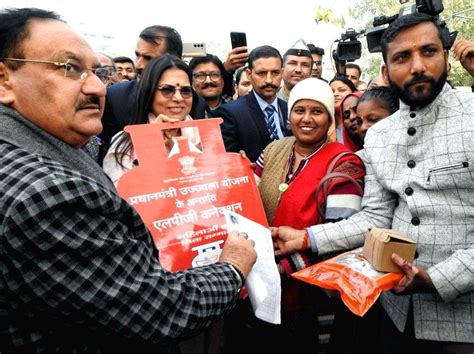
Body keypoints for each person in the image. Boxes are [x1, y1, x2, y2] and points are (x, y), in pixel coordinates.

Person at [0, 8, 257, 353]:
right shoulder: (47, 194)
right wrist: (233, 266)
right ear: (4, 80)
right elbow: (157, 309)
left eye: (95, 71)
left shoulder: (48, 154)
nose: (96, 87)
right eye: (70, 68)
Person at [272, 13, 473, 353]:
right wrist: (306, 238)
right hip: (395, 314)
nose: (418, 66)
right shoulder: (379, 135)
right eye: (402, 57)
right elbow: (375, 218)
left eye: (429, 51)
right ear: (385, 70)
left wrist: (437, 278)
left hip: (463, 322)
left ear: (445, 55)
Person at [255, 77, 365, 354]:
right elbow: (248, 198)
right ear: (288, 114)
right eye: (299, 110)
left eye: (317, 111)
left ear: (330, 119)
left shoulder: (345, 163)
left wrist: (283, 269)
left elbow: (343, 236)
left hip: (311, 292)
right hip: (261, 282)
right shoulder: (272, 151)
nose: (307, 119)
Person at [103, 54, 201, 185]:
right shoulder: (126, 144)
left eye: (185, 90)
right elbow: (126, 196)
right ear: (149, 93)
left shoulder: (208, 138)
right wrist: (151, 146)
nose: (178, 98)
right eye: (167, 90)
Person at [215, 45, 290, 162]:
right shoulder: (231, 113)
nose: (269, 80)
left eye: (275, 73)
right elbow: (229, 162)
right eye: (262, 73)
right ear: (249, 74)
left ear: (282, 73)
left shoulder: (290, 109)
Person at [328, 75, 356, 141]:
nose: (335, 94)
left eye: (342, 90)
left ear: (353, 93)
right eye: (332, 91)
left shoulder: (359, 122)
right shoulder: (325, 123)